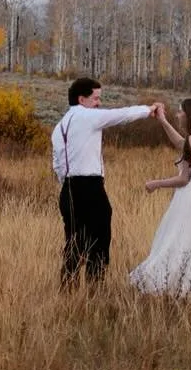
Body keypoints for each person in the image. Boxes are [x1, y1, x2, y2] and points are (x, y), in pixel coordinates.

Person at [51, 77, 155, 287]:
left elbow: (58, 164)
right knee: (100, 239)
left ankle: (68, 290)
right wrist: (148, 110)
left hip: (68, 189)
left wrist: (68, 183)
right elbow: (121, 115)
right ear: (82, 99)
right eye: (96, 98)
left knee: (74, 240)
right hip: (90, 188)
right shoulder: (88, 117)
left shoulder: (59, 126)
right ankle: (94, 289)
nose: (99, 103)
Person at [129, 97, 191, 298]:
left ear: (189, 115)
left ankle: (163, 285)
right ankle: (185, 285)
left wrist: (155, 184)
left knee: (172, 239)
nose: (178, 115)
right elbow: (180, 142)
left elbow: (184, 179)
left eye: (180, 112)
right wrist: (163, 120)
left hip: (189, 198)